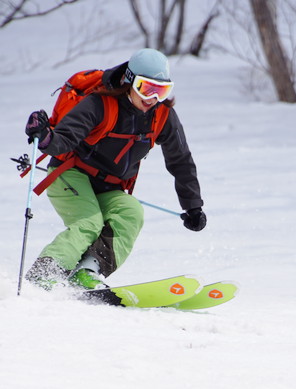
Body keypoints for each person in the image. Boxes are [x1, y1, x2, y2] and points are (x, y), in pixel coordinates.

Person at [23, 48, 206, 291]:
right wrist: (45, 138)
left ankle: (88, 272)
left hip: (109, 186)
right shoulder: (99, 104)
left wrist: (192, 205)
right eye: (146, 88)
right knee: (89, 223)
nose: (152, 98)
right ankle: (43, 275)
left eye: (161, 91)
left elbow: (180, 160)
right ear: (130, 81)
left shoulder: (162, 116)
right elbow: (65, 138)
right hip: (70, 174)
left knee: (131, 212)